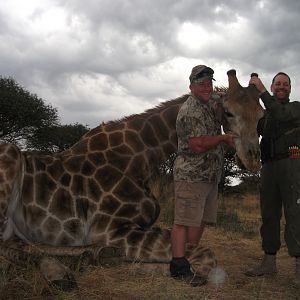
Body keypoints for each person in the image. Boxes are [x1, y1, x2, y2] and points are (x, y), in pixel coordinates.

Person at [169, 65, 236, 286]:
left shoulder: (210, 100)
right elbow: (197, 145)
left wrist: (229, 96)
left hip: (209, 176)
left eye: (209, 83)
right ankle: (178, 267)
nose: (207, 87)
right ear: (191, 87)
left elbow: (223, 97)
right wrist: (222, 138)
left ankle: (188, 257)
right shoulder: (190, 111)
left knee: (199, 220)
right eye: (201, 84)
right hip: (191, 176)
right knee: (183, 221)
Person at [245, 73, 300, 285]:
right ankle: (269, 262)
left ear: (290, 88)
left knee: (295, 214)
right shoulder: (265, 113)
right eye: (278, 84)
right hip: (268, 166)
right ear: (273, 86)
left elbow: (280, 115)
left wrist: (261, 91)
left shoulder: (295, 108)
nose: (282, 87)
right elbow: (249, 122)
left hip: (292, 164)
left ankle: (298, 267)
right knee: (269, 215)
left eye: (285, 84)